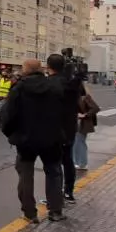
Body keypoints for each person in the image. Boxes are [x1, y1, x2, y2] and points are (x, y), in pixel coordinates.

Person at [0, 59, 67, 223]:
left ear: (25, 70)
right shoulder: (54, 87)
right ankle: (56, 211)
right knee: (54, 173)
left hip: (26, 139)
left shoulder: (19, 88)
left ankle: (30, 213)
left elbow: (7, 116)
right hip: (51, 138)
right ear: (41, 69)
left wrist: (11, 134)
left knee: (25, 174)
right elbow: (63, 113)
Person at [47, 54, 81, 204]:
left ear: (49, 67)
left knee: (54, 164)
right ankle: (68, 192)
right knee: (68, 160)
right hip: (70, 127)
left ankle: (55, 196)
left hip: (54, 128)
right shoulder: (72, 83)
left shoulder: (49, 83)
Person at [73, 83, 100, 171]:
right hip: (78, 123)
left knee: (79, 143)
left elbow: (96, 108)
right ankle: (78, 162)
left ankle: (81, 163)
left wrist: (85, 115)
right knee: (77, 143)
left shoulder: (85, 97)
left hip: (82, 123)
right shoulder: (79, 97)